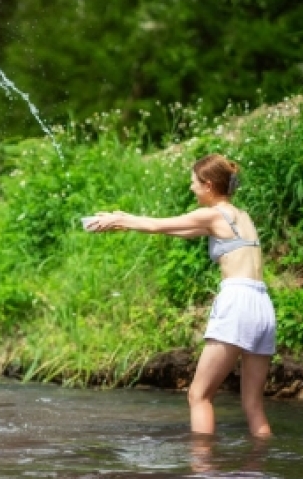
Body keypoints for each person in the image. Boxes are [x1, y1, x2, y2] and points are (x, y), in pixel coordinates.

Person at [84, 154, 275, 437]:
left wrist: (117, 218)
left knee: (198, 396)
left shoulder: (212, 214)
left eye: (193, 183)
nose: (190, 188)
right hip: (263, 306)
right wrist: (126, 224)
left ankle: (203, 473)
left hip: (237, 302)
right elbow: (182, 230)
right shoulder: (241, 216)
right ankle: (263, 474)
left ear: (208, 185)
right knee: (253, 405)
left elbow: (158, 224)